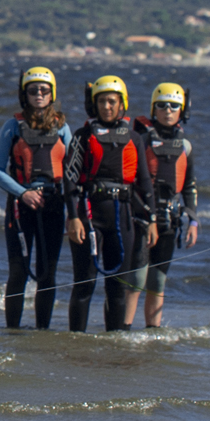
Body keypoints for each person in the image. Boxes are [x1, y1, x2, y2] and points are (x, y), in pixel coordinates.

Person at [63, 75, 146, 332]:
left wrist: (151, 219)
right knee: (85, 283)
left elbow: (144, 182)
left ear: (122, 104)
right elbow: (69, 179)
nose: (107, 107)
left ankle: (115, 344)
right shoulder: (82, 136)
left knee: (118, 287)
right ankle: (76, 342)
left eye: (112, 101)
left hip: (123, 216)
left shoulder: (134, 138)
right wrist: (73, 217)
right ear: (94, 104)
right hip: (89, 216)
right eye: (102, 102)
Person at [0, 66, 71, 330]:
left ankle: (42, 332)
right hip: (20, 206)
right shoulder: (12, 127)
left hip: (53, 205)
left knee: (48, 273)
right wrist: (23, 193)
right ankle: (12, 331)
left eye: (44, 90)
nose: (39, 94)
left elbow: (74, 169)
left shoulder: (62, 128)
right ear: (24, 94)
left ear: (52, 94)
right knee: (18, 272)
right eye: (33, 90)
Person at [131, 82, 200, 329]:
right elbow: (132, 181)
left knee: (157, 281)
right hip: (142, 219)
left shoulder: (186, 147)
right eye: (161, 106)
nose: (167, 111)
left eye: (173, 106)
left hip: (170, 221)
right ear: (153, 109)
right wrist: (145, 216)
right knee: (136, 278)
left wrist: (192, 219)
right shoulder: (141, 140)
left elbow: (190, 185)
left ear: (182, 110)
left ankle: (152, 331)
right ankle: (124, 329)